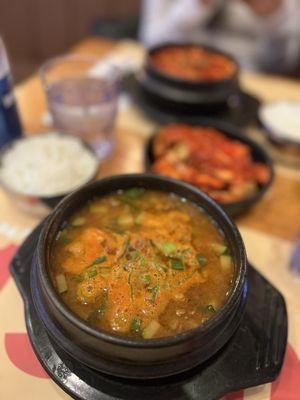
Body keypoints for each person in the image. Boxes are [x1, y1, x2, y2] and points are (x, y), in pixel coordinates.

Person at [139, 0, 300, 73]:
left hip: (246, 82)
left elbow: (281, 66)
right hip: (171, 75)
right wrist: (197, 5)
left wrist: (272, 15)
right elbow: (152, 43)